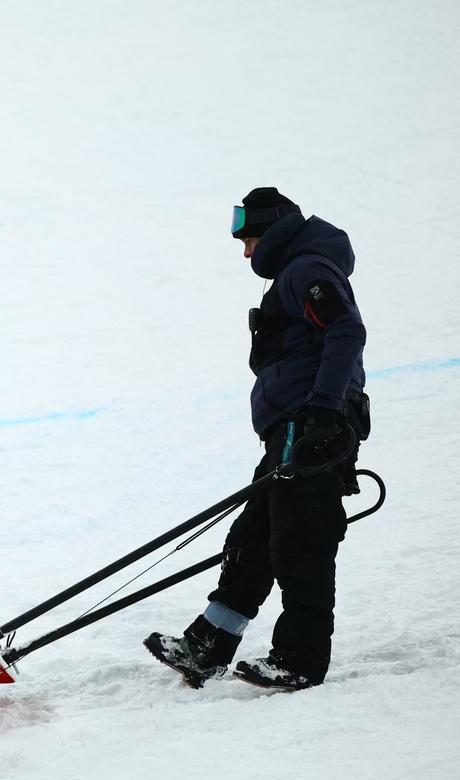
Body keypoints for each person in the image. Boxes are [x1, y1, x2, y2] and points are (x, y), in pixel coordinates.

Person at [146, 188, 369, 691]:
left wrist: (322, 411)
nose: (247, 253)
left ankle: (299, 659)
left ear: (272, 230)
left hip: (312, 428)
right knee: (253, 539)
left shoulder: (308, 268)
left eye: (249, 240)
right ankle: (208, 646)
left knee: (301, 542)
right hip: (292, 430)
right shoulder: (297, 271)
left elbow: (346, 331)